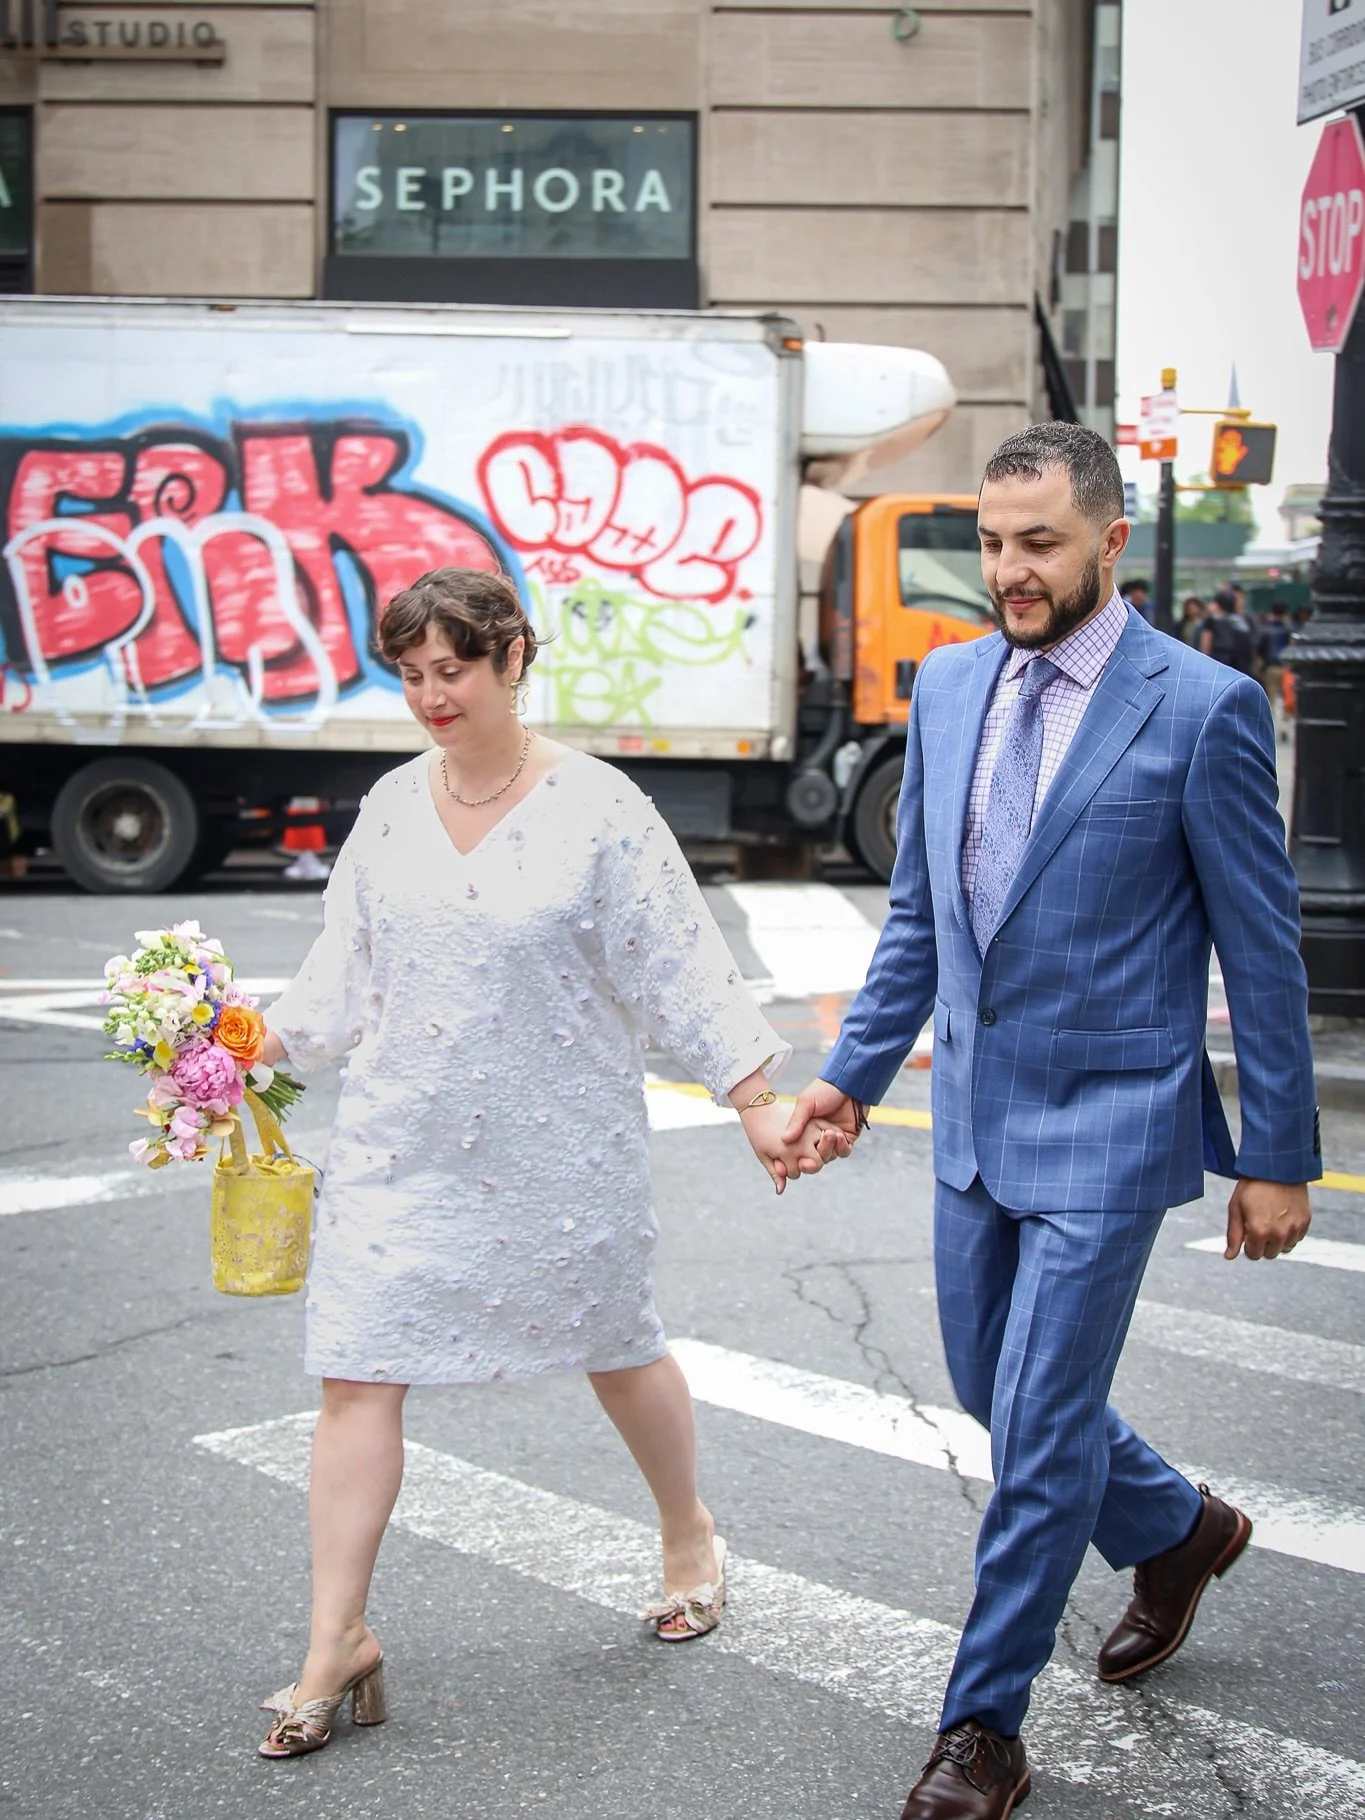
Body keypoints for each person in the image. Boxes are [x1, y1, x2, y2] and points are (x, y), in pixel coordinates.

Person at [784, 423, 1318, 1820]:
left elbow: (1260, 951)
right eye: (996, 543)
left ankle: (984, 1731)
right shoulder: (951, 683)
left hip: (1115, 1120)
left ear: (1108, 544)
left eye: (1041, 545)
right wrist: (848, 1073)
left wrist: (1276, 1154)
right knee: (990, 1387)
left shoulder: (1199, 707)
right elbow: (919, 916)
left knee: (1031, 1432)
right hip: (971, 1123)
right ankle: (1177, 1529)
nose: (1011, 572)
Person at [254, 566, 841, 1760]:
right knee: (356, 1371)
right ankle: (336, 1638)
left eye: (452, 669)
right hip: (396, 1145)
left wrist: (755, 1103)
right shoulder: (388, 805)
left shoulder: (601, 806)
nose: (430, 694)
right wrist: (223, 1052)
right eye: (411, 673)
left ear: (513, 657)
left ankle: (688, 1531)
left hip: (559, 1143)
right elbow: (339, 980)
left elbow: (678, 963)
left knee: (619, 1346)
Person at [1199, 586, 1255, 674]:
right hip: (1241, 666)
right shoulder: (1242, 622)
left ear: (1218, 604)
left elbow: (1205, 645)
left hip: (1219, 663)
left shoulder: (1212, 621)